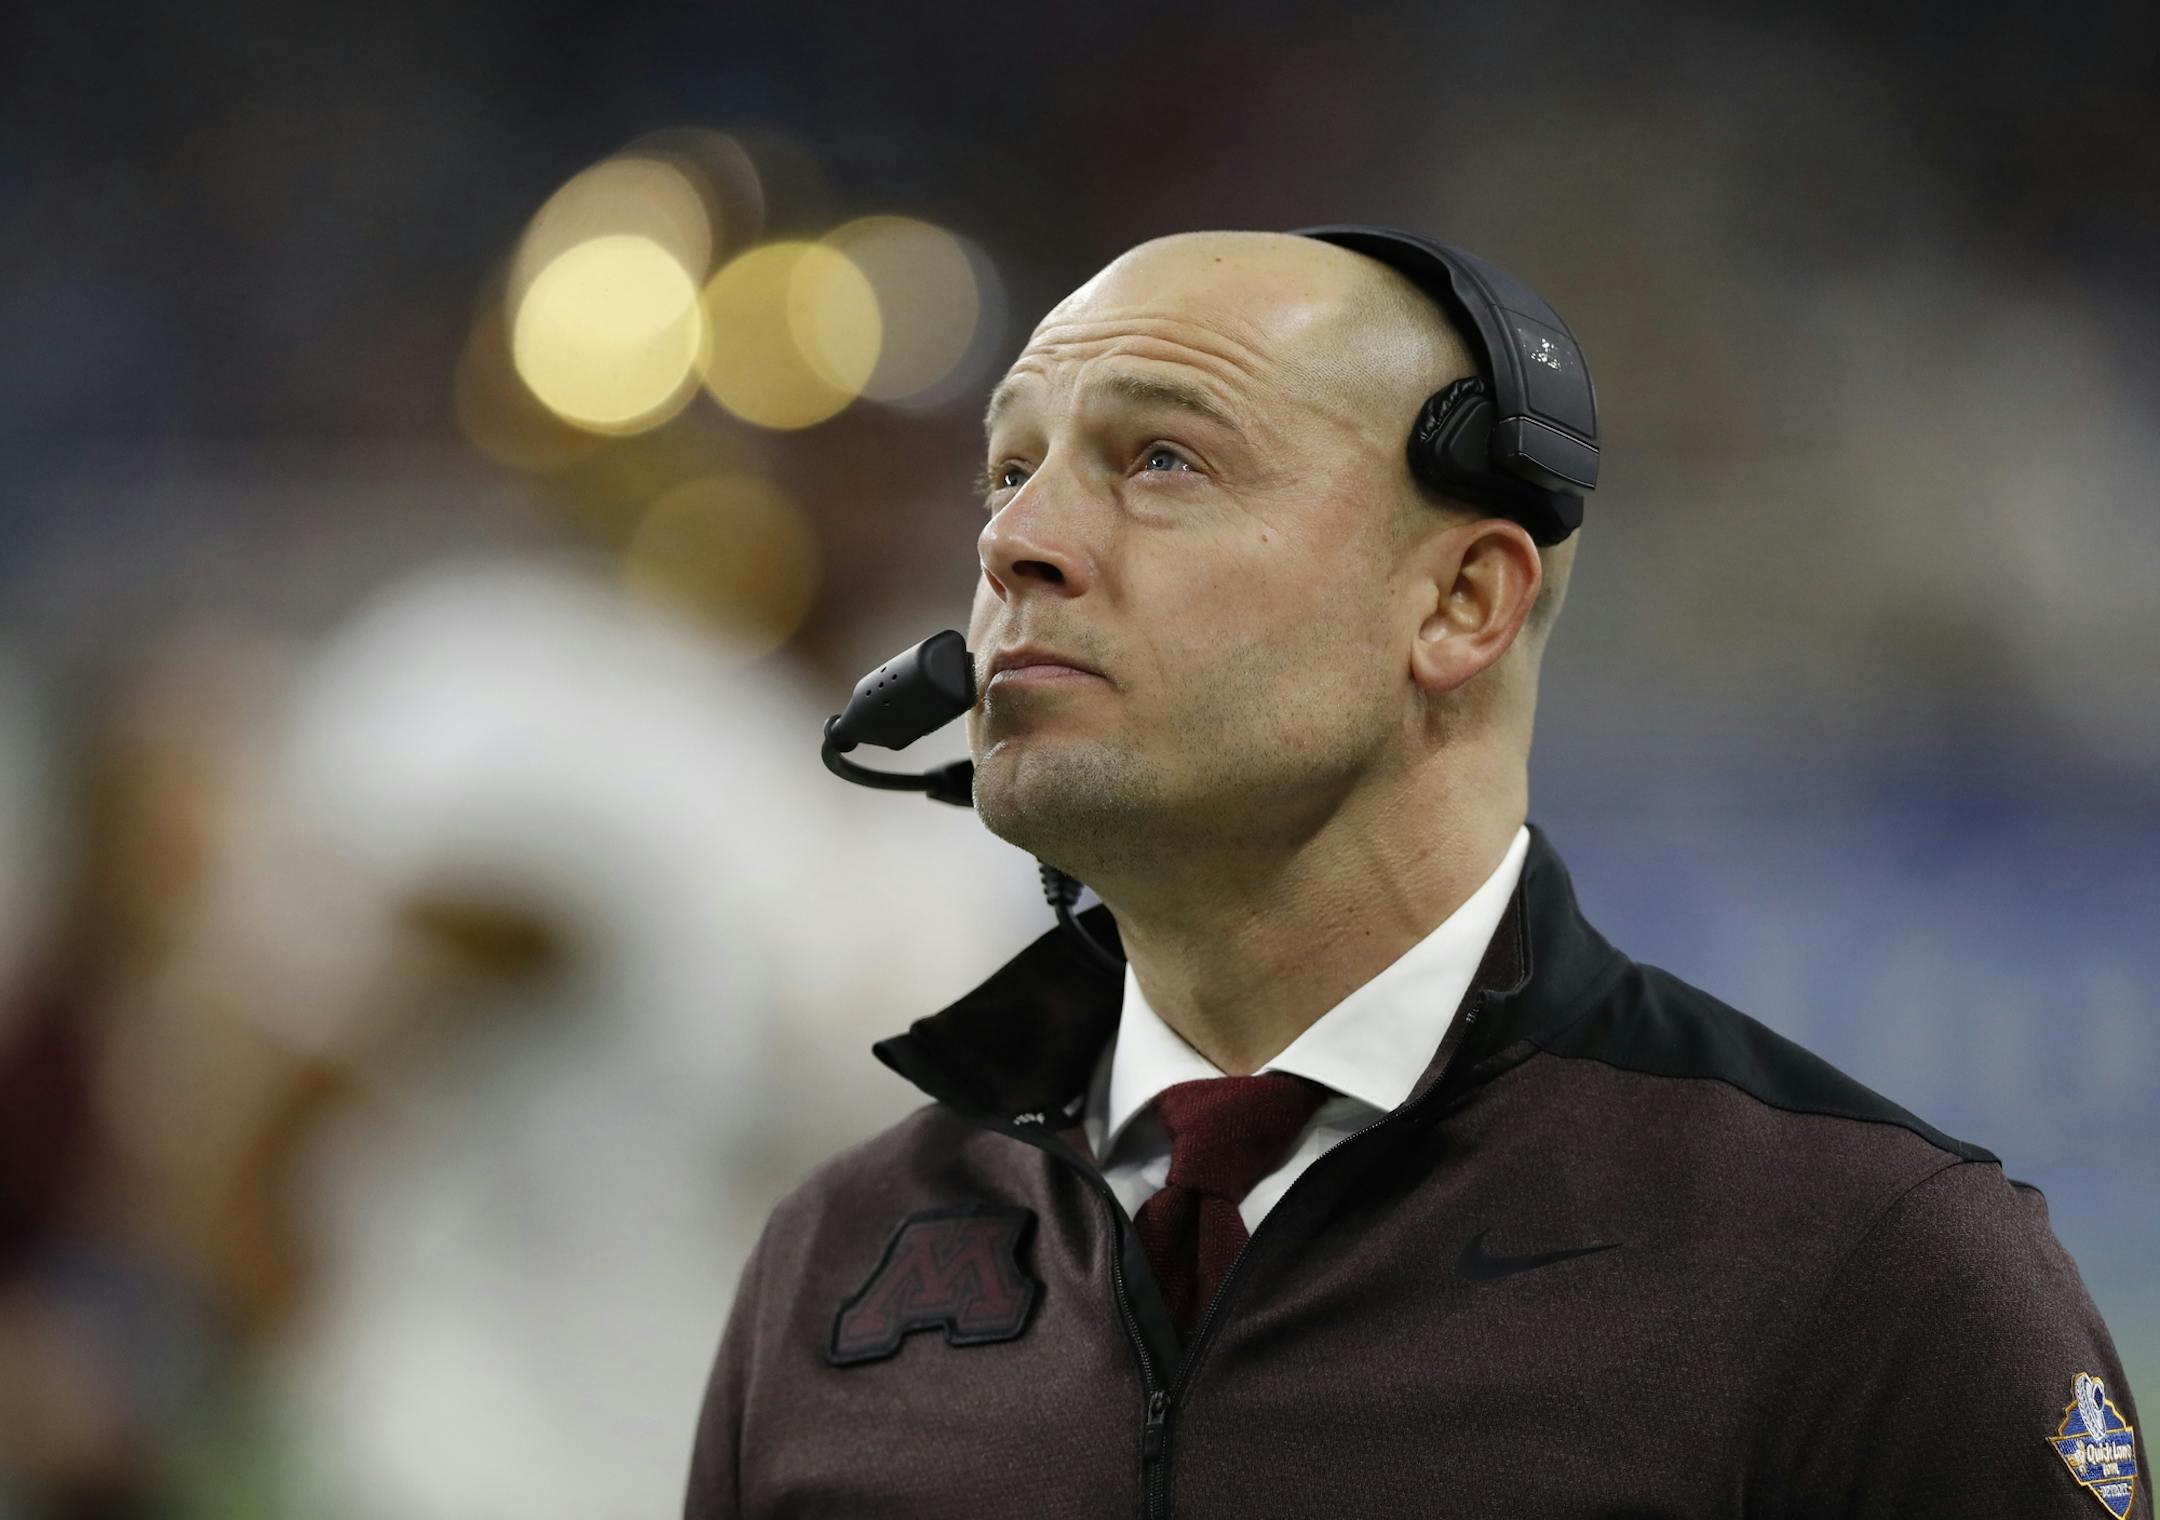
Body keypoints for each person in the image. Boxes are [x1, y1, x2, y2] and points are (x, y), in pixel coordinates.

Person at [684, 227, 2148, 1518]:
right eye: (1010, 469)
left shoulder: (1869, 1272)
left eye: (1163, 460)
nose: (1015, 542)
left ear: (1461, 601)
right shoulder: (842, 1253)